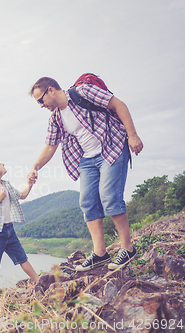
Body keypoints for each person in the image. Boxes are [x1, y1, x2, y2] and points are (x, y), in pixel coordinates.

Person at [27, 76, 144, 272]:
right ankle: (100, 254)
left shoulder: (83, 92)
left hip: (111, 147)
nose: (40, 105)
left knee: (110, 197)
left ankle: (128, 248)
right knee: (88, 203)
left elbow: (118, 105)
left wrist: (132, 135)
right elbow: (50, 146)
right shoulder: (56, 118)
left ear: (50, 90)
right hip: (87, 160)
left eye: (40, 100)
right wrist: (35, 167)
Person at [0, 156, 40, 289]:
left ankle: (38, 281)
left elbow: (22, 195)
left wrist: (29, 184)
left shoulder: (6, 185)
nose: (3, 163)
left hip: (9, 229)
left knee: (22, 258)